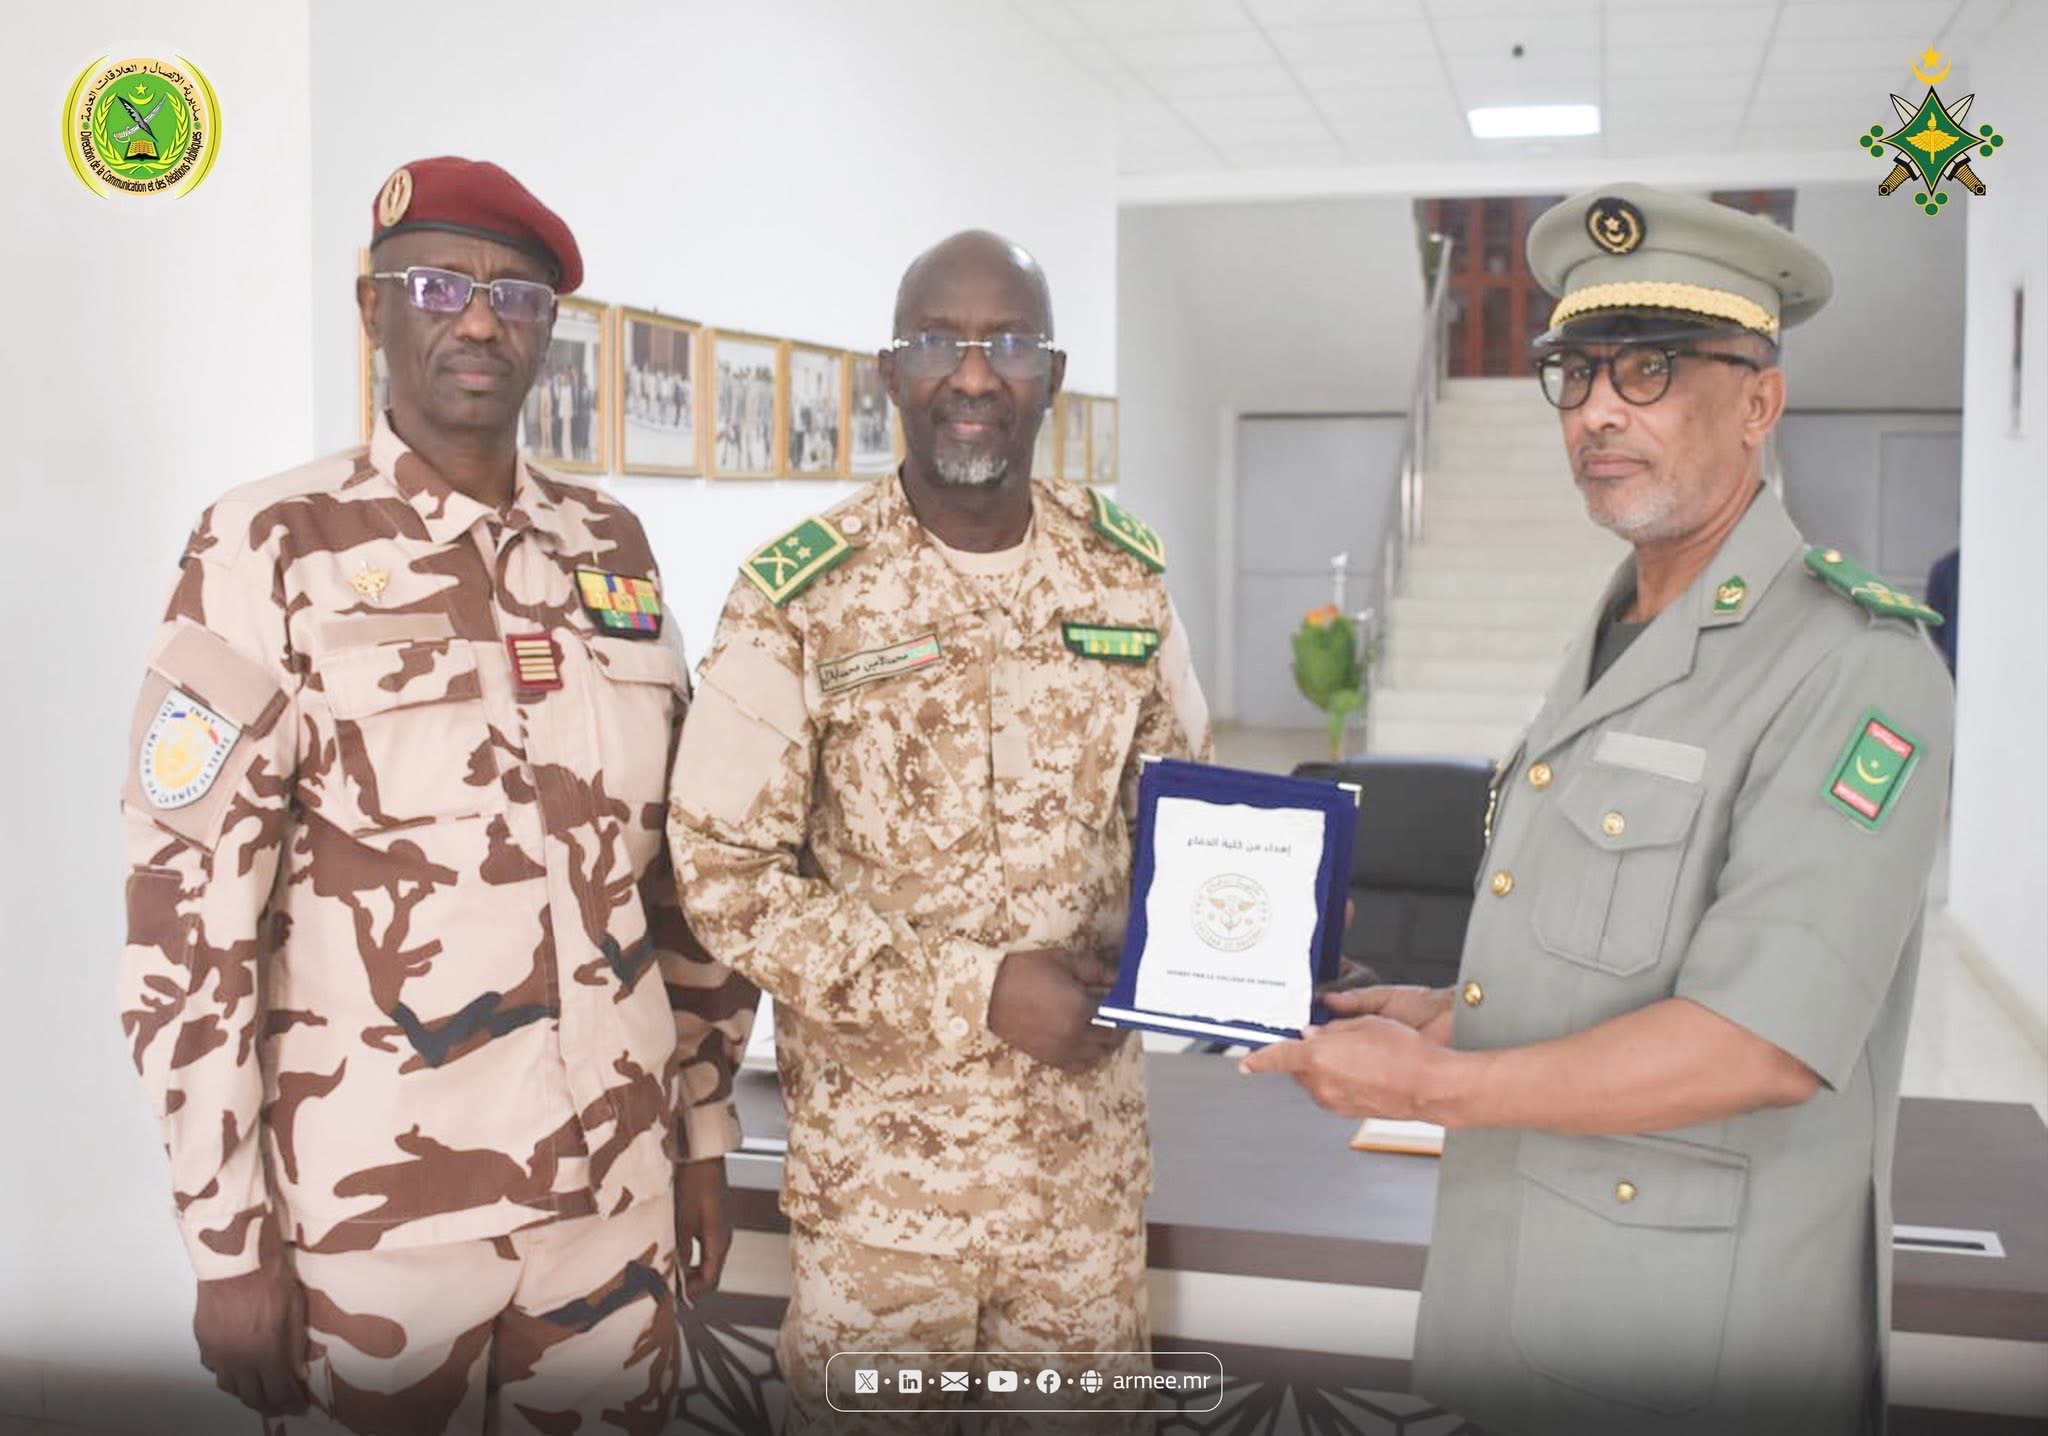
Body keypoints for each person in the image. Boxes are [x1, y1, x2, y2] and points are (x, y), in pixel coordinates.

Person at [1243, 184, 1954, 1436]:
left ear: (1757, 402)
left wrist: (1432, 1084)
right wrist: (1455, 1012)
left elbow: (1758, 1043)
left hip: (1701, 1341)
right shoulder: (1622, 625)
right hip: (1532, 1295)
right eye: (1574, 372)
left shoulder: (1853, 663)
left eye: (1649, 368)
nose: (1597, 410)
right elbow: (1607, 942)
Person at [116, 155, 754, 1435]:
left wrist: (698, 1130)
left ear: (546, 333)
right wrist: (225, 1236)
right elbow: (187, 914)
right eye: (437, 286)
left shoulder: (610, 548)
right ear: (373, 311)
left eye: (514, 296)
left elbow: (676, 875)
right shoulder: (267, 545)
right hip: (382, 1227)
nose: (477, 320)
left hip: (612, 1201)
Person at [667, 230, 1212, 1433]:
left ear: (1050, 374)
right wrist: (978, 990)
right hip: (882, 1214)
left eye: (1007, 343)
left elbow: (1186, 818)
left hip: (1079, 1196)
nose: (973, 375)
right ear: (890, 371)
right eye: (938, 343)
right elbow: (722, 875)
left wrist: (1236, 932)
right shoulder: (801, 593)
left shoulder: (1122, 579)